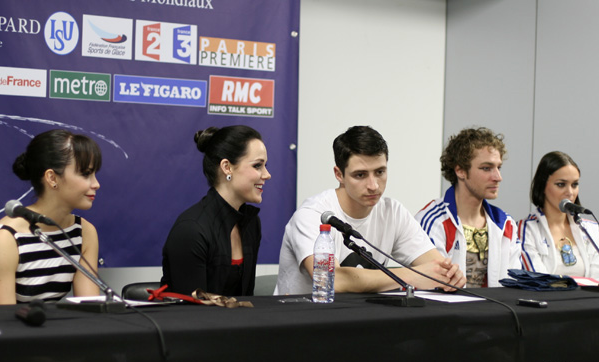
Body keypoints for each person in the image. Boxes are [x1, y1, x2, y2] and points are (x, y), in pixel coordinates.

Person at [275, 126, 465, 296]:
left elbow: (438, 270)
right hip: (303, 319)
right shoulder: (313, 214)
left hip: (362, 319)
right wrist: (413, 276)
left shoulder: (393, 212)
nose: (373, 185)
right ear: (339, 174)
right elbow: (332, 279)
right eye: (360, 175)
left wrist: (450, 276)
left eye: (380, 172)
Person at [161, 125, 271, 297]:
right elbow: (192, 309)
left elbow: (246, 299)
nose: (267, 174)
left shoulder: (251, 223)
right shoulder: (191, 229)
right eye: (257, 166)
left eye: (265, 166)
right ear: (227, 167)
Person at [0, 129, 102, 304]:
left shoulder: (84, 232)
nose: (96, 184)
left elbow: (91, 308)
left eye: (94, 174)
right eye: (85, 173)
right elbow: (4, 318)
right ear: (52, 178)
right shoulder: (6, 237)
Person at [415, 127, 521, 288]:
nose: (498, 177)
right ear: (460, 171)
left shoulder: (506, 224)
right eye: (486, 168)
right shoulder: (433, 220)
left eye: (498, 168)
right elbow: (432, 287)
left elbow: (514, 286)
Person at [519, 151, 599, 278]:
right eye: (561, 184)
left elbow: (596, 282)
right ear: (542, 186)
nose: (570, 192)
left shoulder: (592, 230)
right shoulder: (525, 230)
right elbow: (538, 281)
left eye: (574, 184)